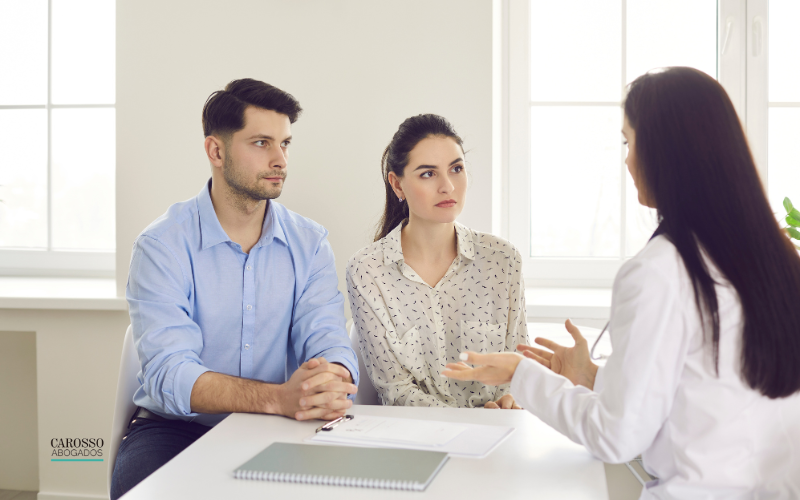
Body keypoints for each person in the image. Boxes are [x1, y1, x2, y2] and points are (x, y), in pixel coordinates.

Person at [443, 67, 800, 498]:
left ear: (667, 152)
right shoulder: (777, 258)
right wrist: (594, 377)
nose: (627, 160)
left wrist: (523, 374)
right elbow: (712, 393)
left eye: (630, 142)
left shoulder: (658, 271)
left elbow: (616, 437)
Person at [111, 79, 359, 499]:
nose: (280, 159)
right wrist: (278, 398)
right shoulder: (162, 246)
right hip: (175, 429)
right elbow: (171, 374)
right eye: (262, 142)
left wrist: (331, 379)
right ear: (216, 151)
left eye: (285, 144)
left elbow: (328, 338)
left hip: (283, 426)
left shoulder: (310, 243)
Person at [346, 114, 528, 409]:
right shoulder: (367, 270)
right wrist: (470, 423)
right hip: (416, 441)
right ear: (397, 185)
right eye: (428, 174)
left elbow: (519, 366)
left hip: (496, 432)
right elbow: (395, 391)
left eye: (456, 169)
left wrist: (510, 401)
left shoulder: (503, 261)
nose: (448, 186)